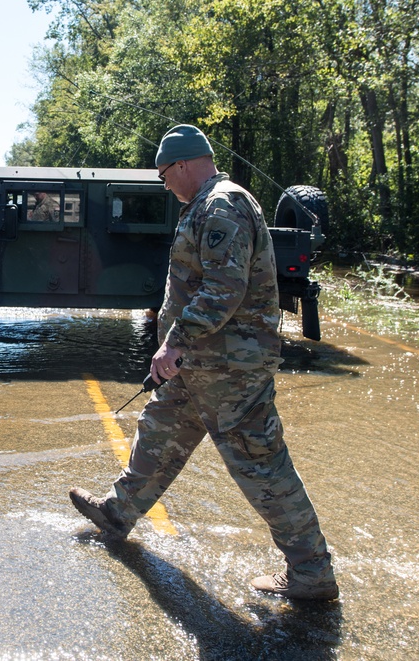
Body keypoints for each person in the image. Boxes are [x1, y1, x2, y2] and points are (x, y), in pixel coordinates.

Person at [69, 124, 339, 601]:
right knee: (160, 430)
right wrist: (176, 350)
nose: (165, 185)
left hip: (230, 372)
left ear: (184, 164)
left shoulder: (222, 204)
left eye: (163, 175)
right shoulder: (207, 204)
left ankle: (311, 573)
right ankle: (117, 513)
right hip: (200, 366)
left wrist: (174, 343)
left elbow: (224, 289)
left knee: (261, 466)